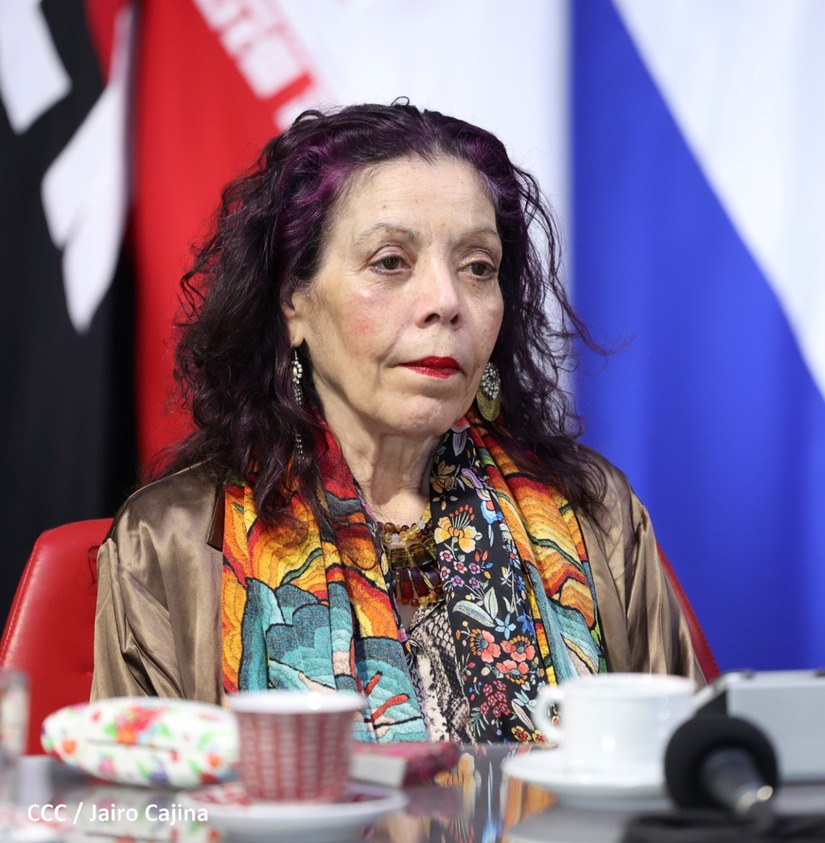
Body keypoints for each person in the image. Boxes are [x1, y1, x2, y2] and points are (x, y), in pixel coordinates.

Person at [92, 101, 704, 743]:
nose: (446, 301)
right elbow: (145, 795)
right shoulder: (173, 541)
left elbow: (686, 771)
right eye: (390, 262)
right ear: (293, 302)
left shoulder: (595, 514)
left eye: (478, 267)